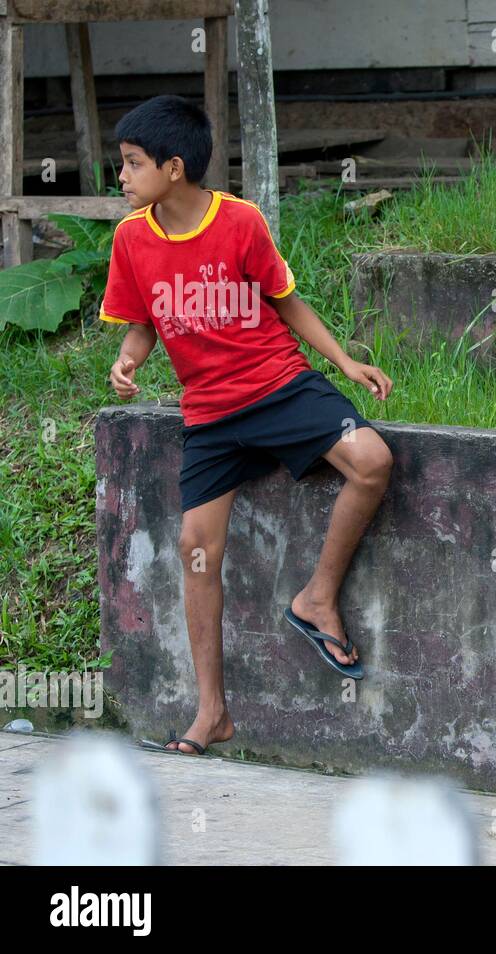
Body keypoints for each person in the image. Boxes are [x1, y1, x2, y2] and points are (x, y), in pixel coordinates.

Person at [100, 95, 395, 755]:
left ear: (174, 168)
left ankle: (317, 598)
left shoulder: (240, 222)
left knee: (371, 460)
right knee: (196, 550)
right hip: (209, 414)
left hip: (279, 388)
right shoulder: (132, 238)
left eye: (132, 164)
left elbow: (286, 301)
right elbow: (142, 320)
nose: (121, 176)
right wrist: (127, 361)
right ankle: (212, 714)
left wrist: (345, 362)